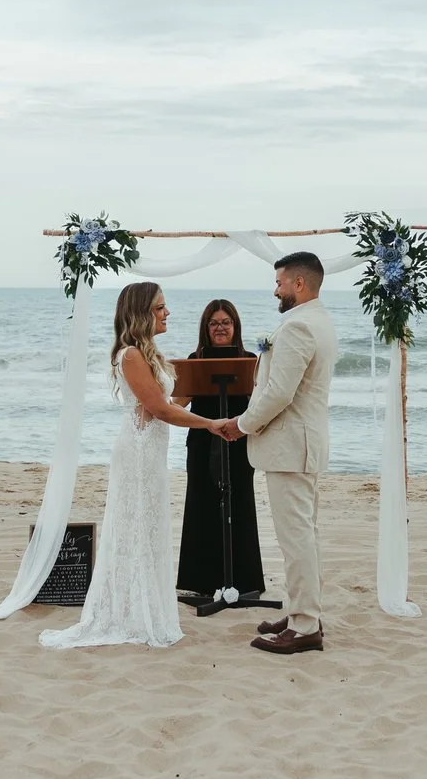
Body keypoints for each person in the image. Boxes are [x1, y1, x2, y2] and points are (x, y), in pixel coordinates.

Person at [41, 283, 222, 650]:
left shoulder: (147, 353)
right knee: (137, 527)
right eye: (160, 307)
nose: (167, 313)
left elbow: (167, 401)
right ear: (141, 313)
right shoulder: (130, 356)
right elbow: (158, 410)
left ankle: (146, 610)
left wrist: (205, 379)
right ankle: (131, 614)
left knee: (149, 526)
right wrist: (211, 424)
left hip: (151, 451)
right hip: (138, 453)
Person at [214, 251, 339, 656]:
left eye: (280, 282)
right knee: (304, 535)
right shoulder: (318, 320)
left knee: (296, 537)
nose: (276, 290)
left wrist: (242, 424)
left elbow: (279, 393)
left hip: (290, 448)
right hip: (303, 444)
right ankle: (302, 611)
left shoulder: (299, 327)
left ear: (299, 284)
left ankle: (304, 625)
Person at [174, 298, 266, 602]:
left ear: (235, 326)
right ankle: (200, 583)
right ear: (206, 328)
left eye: (226, 322)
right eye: (214, 323)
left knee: (239, 504)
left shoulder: (250, 359)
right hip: (202, 443)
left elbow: (261, 402)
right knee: (201, 505)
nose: (220, 328)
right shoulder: (195, 358)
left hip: (238, 442)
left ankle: (244, 581)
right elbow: (181, 401)